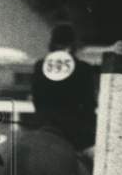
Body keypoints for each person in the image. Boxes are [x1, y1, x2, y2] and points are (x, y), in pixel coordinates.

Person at [30, 22, 98, 156]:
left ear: (52, 43)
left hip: (44, 126)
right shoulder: (84, 68)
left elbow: (36, 98)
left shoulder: (39, 66)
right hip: (74, 132)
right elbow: (89, 103)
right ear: (73, 44)